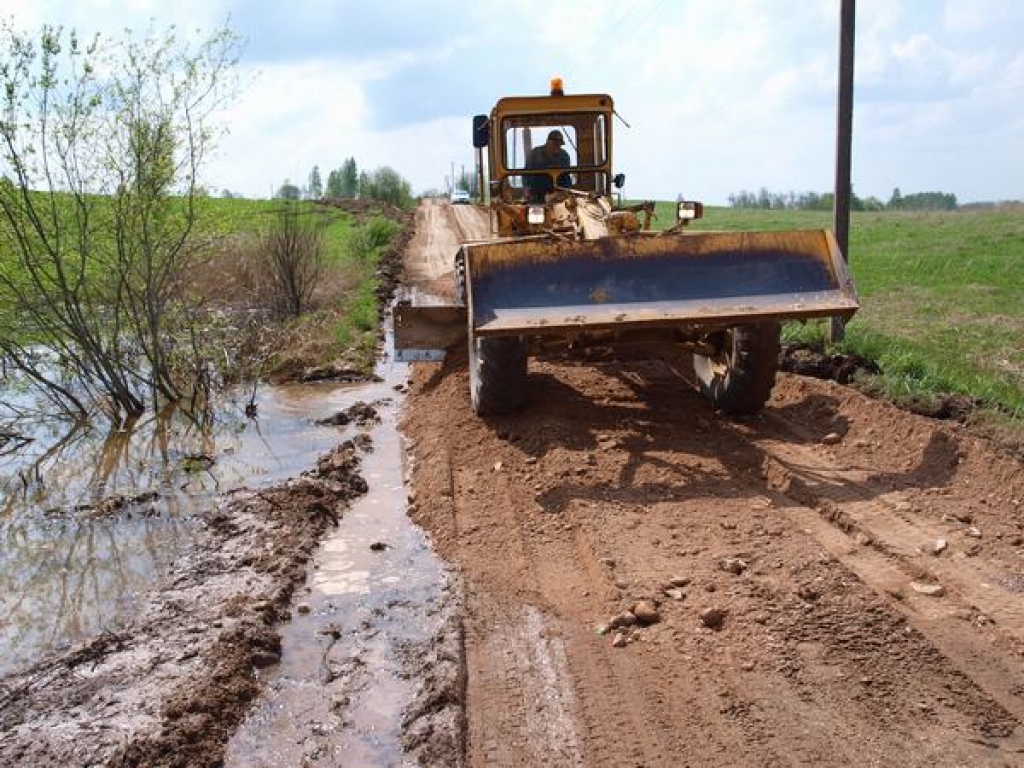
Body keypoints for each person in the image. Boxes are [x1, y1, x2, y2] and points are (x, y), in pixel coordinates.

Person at [525, 129, 571, 202]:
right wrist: (527, 189)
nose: (557, 146)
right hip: (537, 195)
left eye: (559, 144)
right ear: (548, 142)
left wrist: (567, 191)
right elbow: (526, 173)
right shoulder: (535, 153)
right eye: (555, 143)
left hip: (558, 195)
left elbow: (567, 176)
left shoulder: (564, 156)